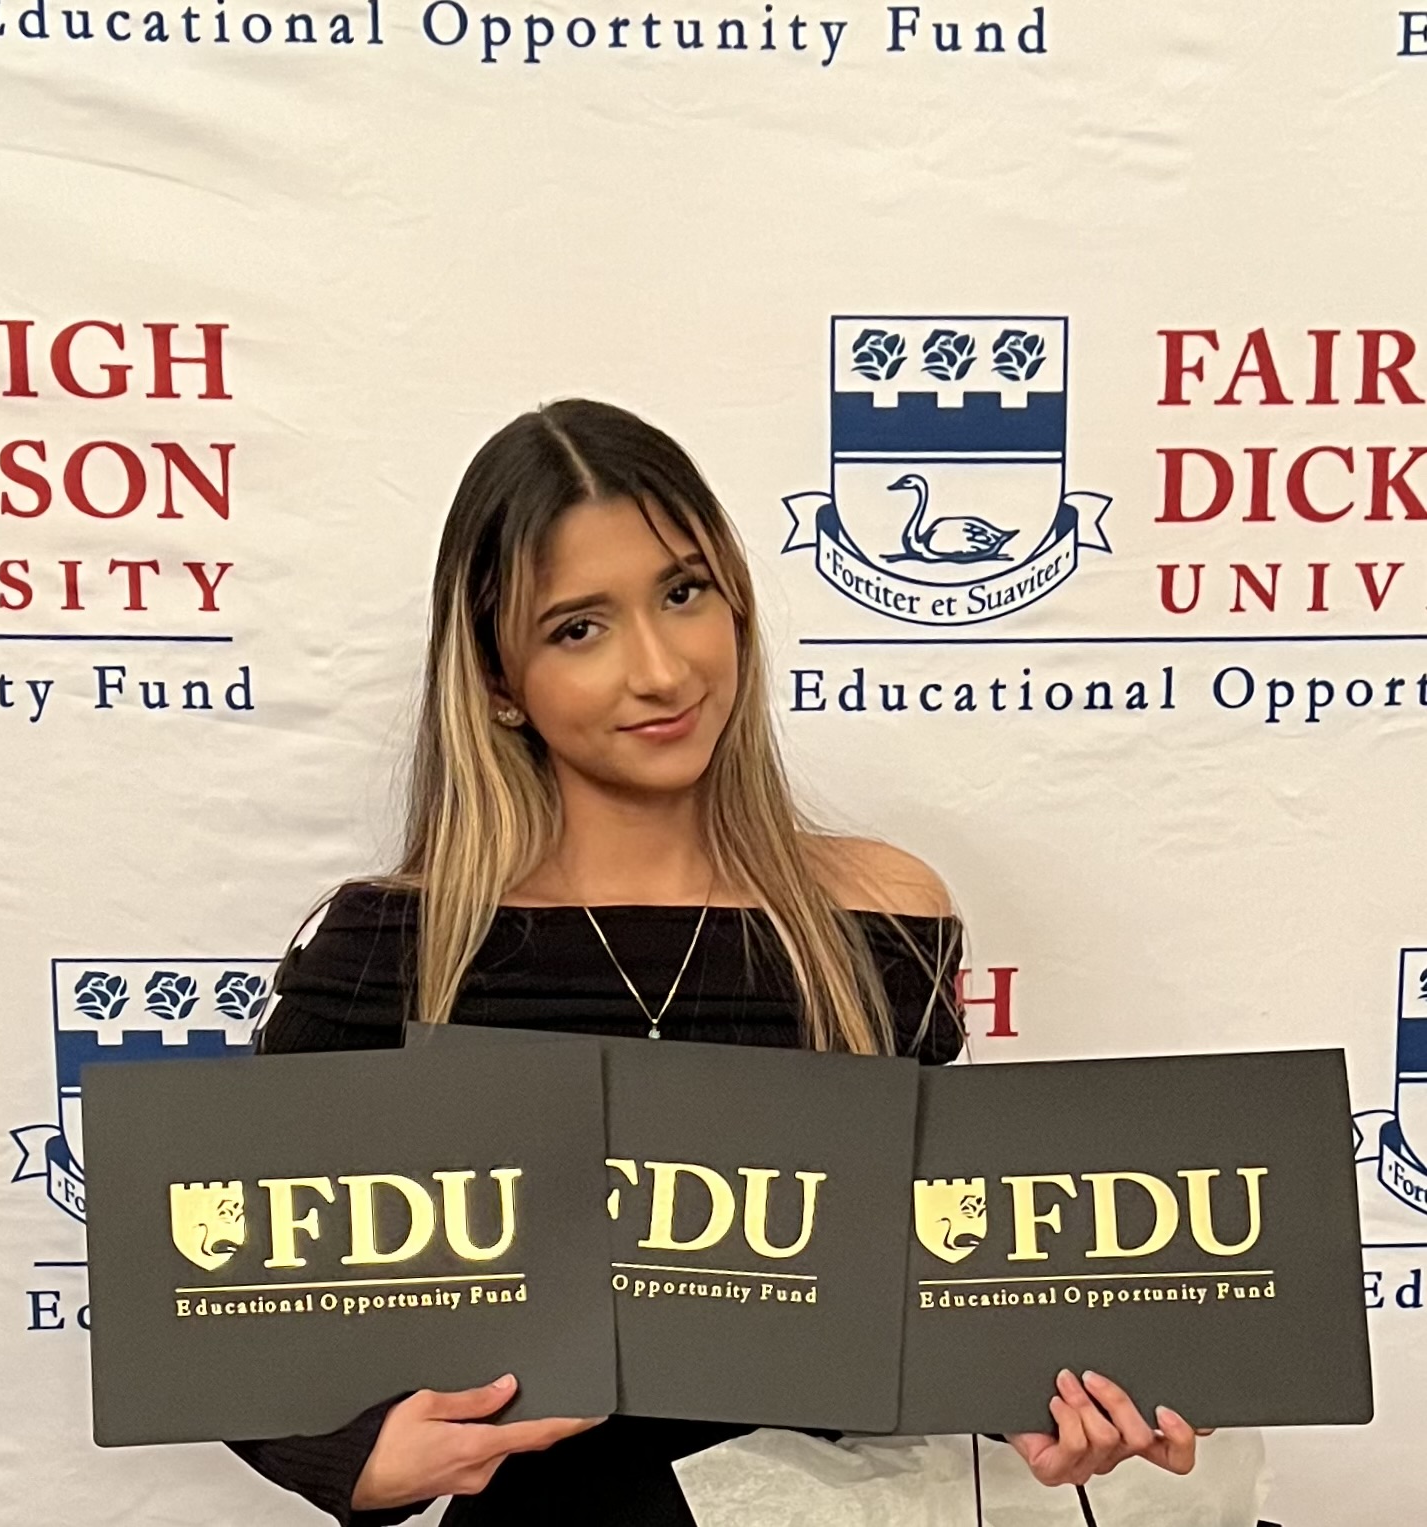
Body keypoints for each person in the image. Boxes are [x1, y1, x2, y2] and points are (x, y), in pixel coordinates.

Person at [226, 398, 1205, 1526]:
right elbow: (231, 1294)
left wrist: (1059, 1395)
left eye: (683, 593)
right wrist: (350, 1453)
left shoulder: (879, 917)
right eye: (578, 628)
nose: (660, 670)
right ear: (499, 680)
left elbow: (916, 1283)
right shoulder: (394, 950)